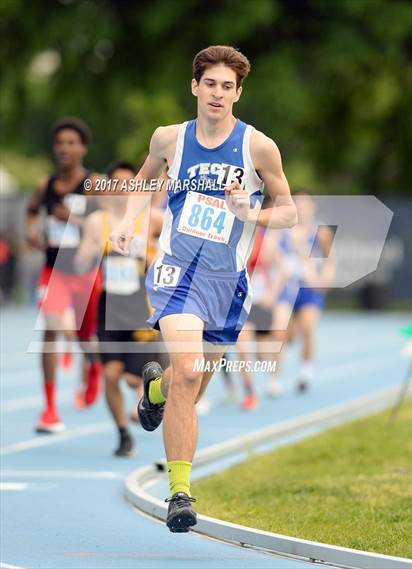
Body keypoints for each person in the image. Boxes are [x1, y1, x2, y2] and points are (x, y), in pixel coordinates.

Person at [110, 45, 297, 532]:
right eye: (209, 83)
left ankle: (155, 386)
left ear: (239, 92)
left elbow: (289, 212)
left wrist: (249, 213)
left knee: (186, 387)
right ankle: (180, 493)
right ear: (195, 86)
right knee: (189, 370)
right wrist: (129, 223)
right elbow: (142, 181)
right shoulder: (169, 138)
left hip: (226, 283)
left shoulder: (259, 147)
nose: (218, 93)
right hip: (175, 273)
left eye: (227, 86)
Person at [75, 161, 165, 456]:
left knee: (132, 377)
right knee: (111, 375)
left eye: (131, 183)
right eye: (118, 183)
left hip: (142, 307)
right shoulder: (97, 221)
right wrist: (86, 255)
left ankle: (147, 399)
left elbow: (173, 244)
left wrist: (158, 254)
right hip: (109, 308)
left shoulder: (150, 218)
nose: (124, 189)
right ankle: (123, 435)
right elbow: (79, 260)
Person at [26, 117, 102, 433]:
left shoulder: (94, 184)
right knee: (51, 331)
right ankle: (49, 408)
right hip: (53, 270)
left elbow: (109, 222)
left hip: (85, 273)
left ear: (82, 147)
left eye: (72, 143)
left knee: (84, 337)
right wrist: (32, 232)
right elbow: (31, 211)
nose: (65, 149)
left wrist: (77, 220)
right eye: (60, 143)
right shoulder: (46, 185)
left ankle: (94, 366)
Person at [270, 191, 335, 394]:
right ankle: (274, 379)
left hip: (309, 288)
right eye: (297, 203)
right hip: (286, 287)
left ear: (312, 207)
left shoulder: (321, 232)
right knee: (281, 334)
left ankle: (305, 372)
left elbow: (329, 260)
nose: (302, 207)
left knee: (307, 327)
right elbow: (268, 255)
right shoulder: (281, 230)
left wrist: (324, 280)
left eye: (305, 204)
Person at [235, 218, 286, 409]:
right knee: (242, 345)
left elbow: (283, 270)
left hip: (262, 302)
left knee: (264, 353)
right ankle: (249, 393)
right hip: (244, 303)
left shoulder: (266, 242)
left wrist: (272, 294)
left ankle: (273, 379)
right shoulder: (234, 238)